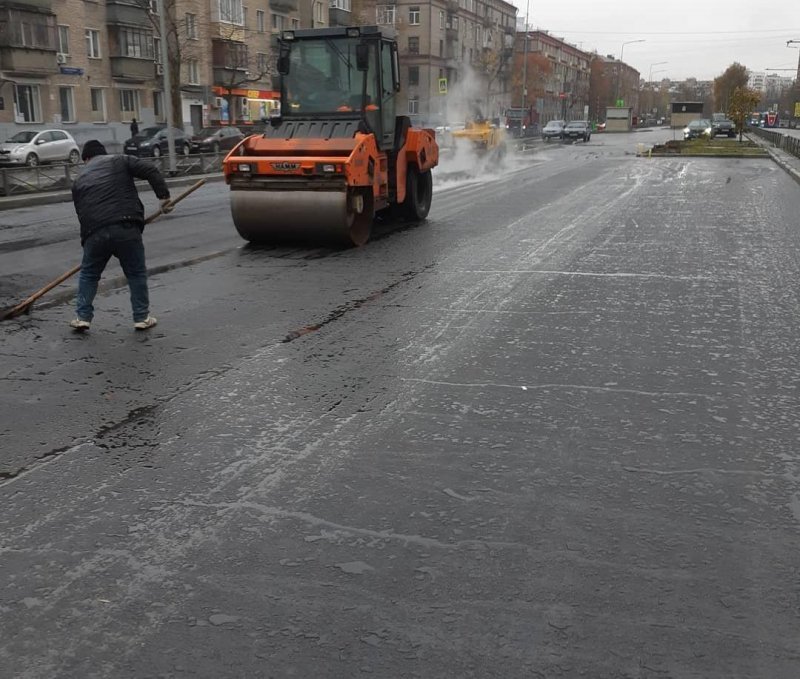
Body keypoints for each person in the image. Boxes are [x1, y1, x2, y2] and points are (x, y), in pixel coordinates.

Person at [69, 139, 172, 332]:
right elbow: (150, 169)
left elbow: (81, 213)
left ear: (86, 158)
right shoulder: (120, 160)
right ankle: (141, 317)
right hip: (125, 226)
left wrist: (88, 241)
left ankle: (82, 317)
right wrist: (164, 197)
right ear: (103, 153)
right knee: (135, 273)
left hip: (94, 232)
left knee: (89, 274)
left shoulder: (79, 179)